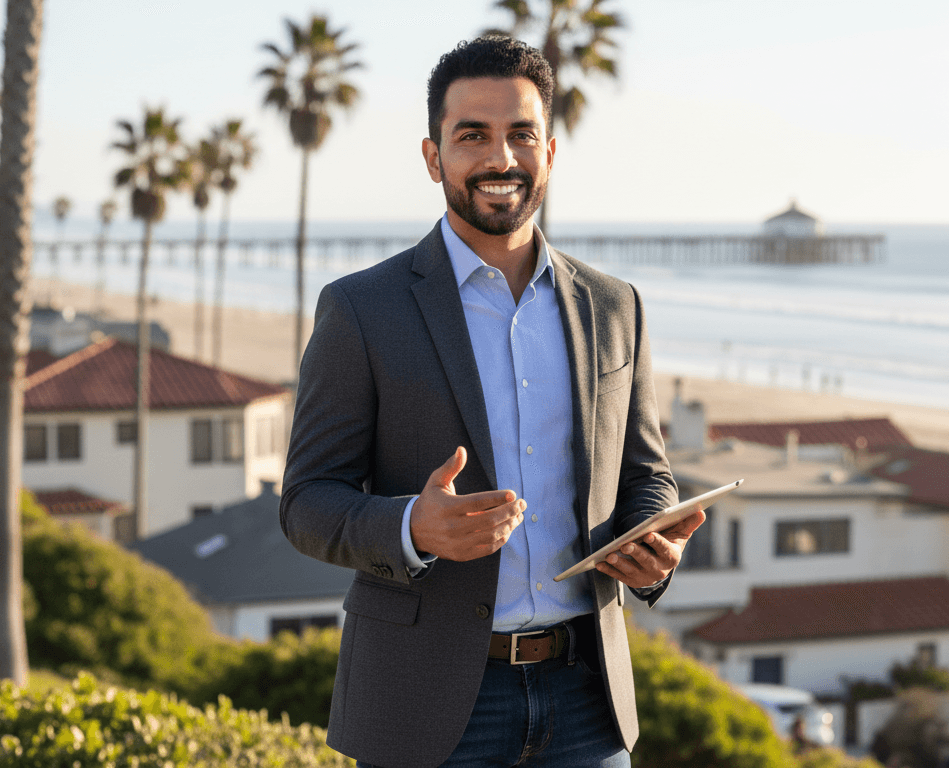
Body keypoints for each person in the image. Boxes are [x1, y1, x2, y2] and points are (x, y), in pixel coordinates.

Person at [280, 36, 705, 768]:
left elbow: (647, 474)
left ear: (548, 152)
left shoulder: (614, 305)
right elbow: (307, 503)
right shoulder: (361, 310)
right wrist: (415, 525)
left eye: (520, 134)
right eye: (471, 135)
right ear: (433, 156)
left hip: (586, 701)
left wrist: (651, 546)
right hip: (425, 701)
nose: (499, 158)